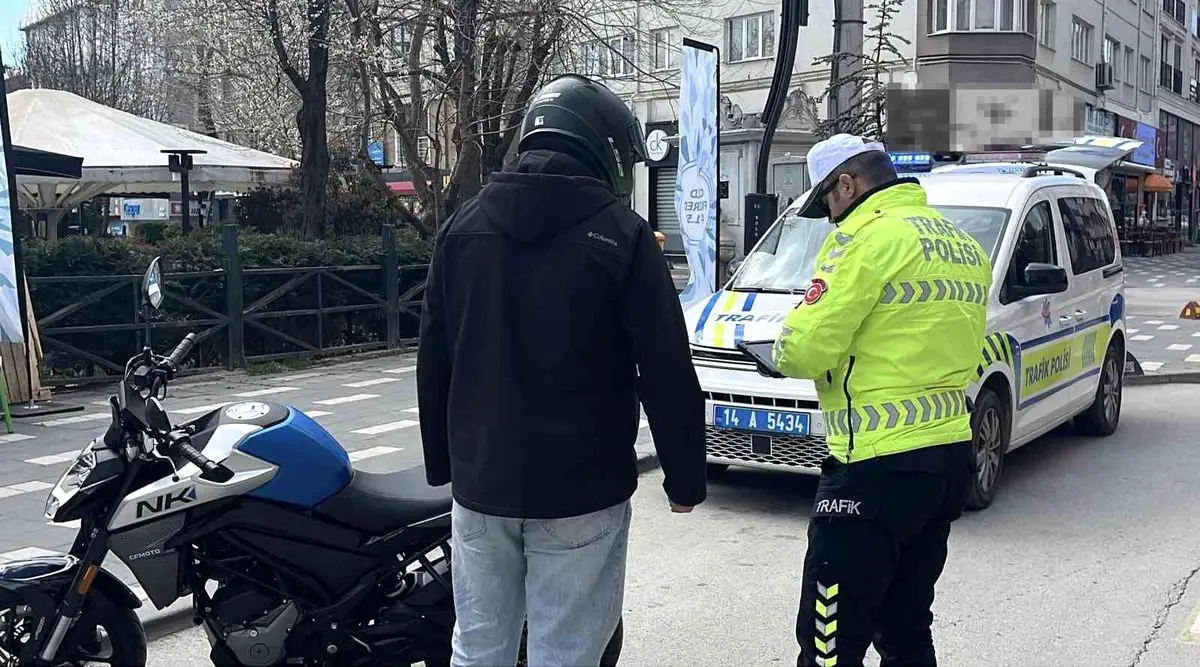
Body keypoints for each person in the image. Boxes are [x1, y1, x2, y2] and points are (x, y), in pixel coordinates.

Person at [416, 73, 707, 667]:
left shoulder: (461, 229)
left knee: (477, 649)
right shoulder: (623, 237)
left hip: (482, 488)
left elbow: (434, 356)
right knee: (568, 653)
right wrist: (684, 479)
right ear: (601, 147)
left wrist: (445, 465)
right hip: (582, 490)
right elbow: (667, 369)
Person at [772, 134, 992, 667]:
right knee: (906, 630)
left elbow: (802, 348)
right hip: (945, 461)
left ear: (847, 185)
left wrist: (781, 345)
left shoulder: (863, 240)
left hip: (872, 468)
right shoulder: (960, 244)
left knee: (829, 643)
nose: (830, 215)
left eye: (827, 200)